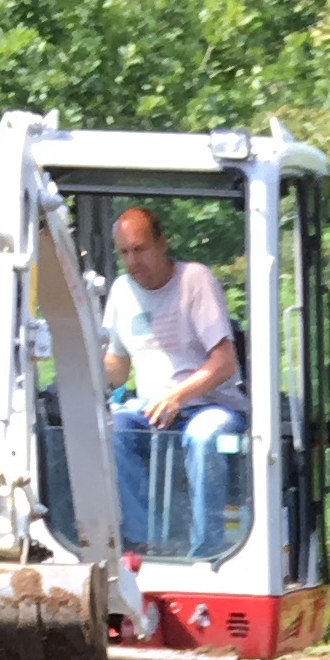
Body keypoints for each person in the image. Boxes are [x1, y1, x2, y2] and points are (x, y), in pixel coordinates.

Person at [101, 203, 246, 557]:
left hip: (210, 405)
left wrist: (178, 396)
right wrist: (77, 356)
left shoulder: (194, 281)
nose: (133, 261)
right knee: (110, 429)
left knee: (204, 437)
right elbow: (117, 368)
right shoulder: (121, 292)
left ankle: (206, 551)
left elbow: (225, 363)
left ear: (162, 243)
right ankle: (145, 542)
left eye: (140, 249)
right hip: (152, 410)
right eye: (124, 252)